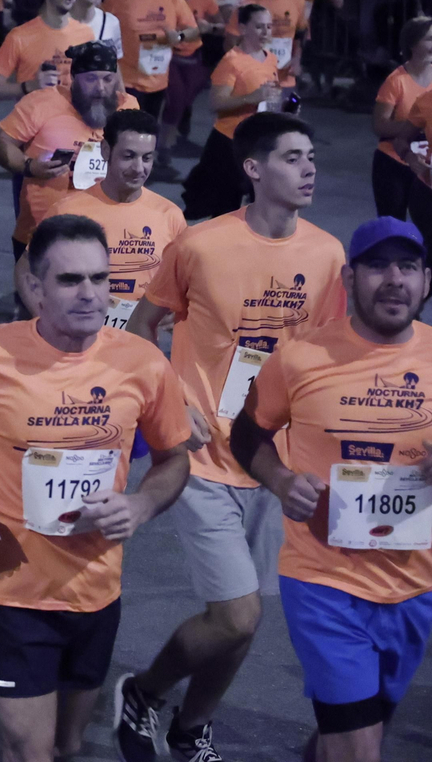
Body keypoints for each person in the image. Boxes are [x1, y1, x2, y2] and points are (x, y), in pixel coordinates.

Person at [0, 214, 192, 762]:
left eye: (99, 278)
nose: (90, 294)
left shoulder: (142, 363)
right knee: (28, 750)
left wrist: (140, 504)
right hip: (8, 583)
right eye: (70, 280)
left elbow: (173, 459)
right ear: (35, 287)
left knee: (67, 747)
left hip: (95, 587)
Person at [119, 113, 347, 762]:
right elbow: (143, 326)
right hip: (203, 459)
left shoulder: (328, 254)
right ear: (253, 168)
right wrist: (172, 402)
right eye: (293, 157)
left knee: (241, 622)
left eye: (311, 157)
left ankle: (192, 726)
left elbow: (325, 356)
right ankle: (143, 691)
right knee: (239, 612)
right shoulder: (199, 245)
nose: (309, 169)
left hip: (276, 464)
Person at [232, 216, 432, 762]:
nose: (395, 279)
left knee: (359, 728)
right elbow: (247, 435)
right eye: (378, 266)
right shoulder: (300, 357)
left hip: (415, 586)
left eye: (408, 267)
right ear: (348, 279)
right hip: (324, 583)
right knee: (359, 749)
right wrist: (281, 480)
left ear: (426, 279)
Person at [14, 109, 186, 334]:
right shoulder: (69, 210)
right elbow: (24, 271)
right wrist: (48, 320)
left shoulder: (170, 215)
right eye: (128, 156)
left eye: (147, 158)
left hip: (140, 347)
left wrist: (177, 312)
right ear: (106, 151)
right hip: (78, 343)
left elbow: (184, 284)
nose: (138, 168)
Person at [0, 41, 135, 261]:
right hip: (41, 233)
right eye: (91, 79)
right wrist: (29, 166)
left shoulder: (127, 108)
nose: (101, 89)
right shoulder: (41, 103)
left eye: (107, 79)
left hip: (105, 233)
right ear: (74, 79)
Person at [181, 4, 282, 221]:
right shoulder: (231, 62)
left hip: (258, 143)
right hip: (229, 144)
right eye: (259, 27)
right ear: (244, 29)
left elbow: (269, 96)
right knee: (226, 208)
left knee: (261, 204)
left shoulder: (271, 58)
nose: (265, 32)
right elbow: (216, 103)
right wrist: (251, 98)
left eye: (268, 27)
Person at [101, 0, 198, 121]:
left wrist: (178, 37)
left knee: (149, 130)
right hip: (126, 80)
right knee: (123, 128)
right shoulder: (116, 0)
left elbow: (193, 31)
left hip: (158, 81)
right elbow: (100, 35)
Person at [159, 0, 223, 177]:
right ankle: (164, 147)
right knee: (176, 100)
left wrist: (209, 27)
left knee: (183, 101)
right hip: (169, 57)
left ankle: (167, 133)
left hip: (194, 57)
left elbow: (221, 26)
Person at [369, 16, 432, 220]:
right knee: (393, 223)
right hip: (394, 162)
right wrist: (417, 125)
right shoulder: (396, 81)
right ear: (413, 44)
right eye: (429, 39)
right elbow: (380, 125)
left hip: (426, 165)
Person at [226, 0, 308, 95]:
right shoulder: (246, 3)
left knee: (285, 117)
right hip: (253, 80)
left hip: (285, 80)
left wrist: (296, 60)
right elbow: (230, 41)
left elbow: (300, 36)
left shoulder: (298, 1)